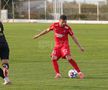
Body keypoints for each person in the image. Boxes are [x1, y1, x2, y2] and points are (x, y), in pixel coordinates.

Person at [33, 15, 85, 79]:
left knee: (68, 58)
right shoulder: (54, 25)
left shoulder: (67, 28)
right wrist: (38, 35)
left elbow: (73, 37)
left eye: (65, 22)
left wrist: (80, 47)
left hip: (64, 45)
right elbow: (46, 30)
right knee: (53, 58)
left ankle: (79, 73)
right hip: (57, 46)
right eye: (63, 22)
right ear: (59, 20)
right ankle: (58, 74)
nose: (64, 23)